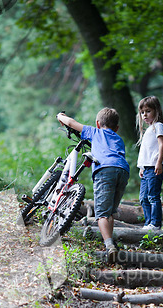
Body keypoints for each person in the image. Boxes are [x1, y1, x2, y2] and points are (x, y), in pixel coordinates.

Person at [56, 108, 130, 263]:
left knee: (102, 213)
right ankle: (110, 242)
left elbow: (72, 123)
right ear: (116, 128)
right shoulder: (119, 139)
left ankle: (109, 246)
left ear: (97, 124)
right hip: (122, 171)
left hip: (105, 170)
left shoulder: (95, 132)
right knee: (109, 211)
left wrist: (61, 116)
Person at [137, 95, 163, 230]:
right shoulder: (148, 129)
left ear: (156, 111)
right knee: (143, 197)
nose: (145, 114)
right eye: (142, 112)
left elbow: (161, 145)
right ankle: (148, 222)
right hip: (147, 168)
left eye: (148, 111)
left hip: (155, 167)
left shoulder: (158, 126)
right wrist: (142, 167)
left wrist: (159, 163)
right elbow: (146, 151)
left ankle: (155, 224)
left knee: (153, 196)